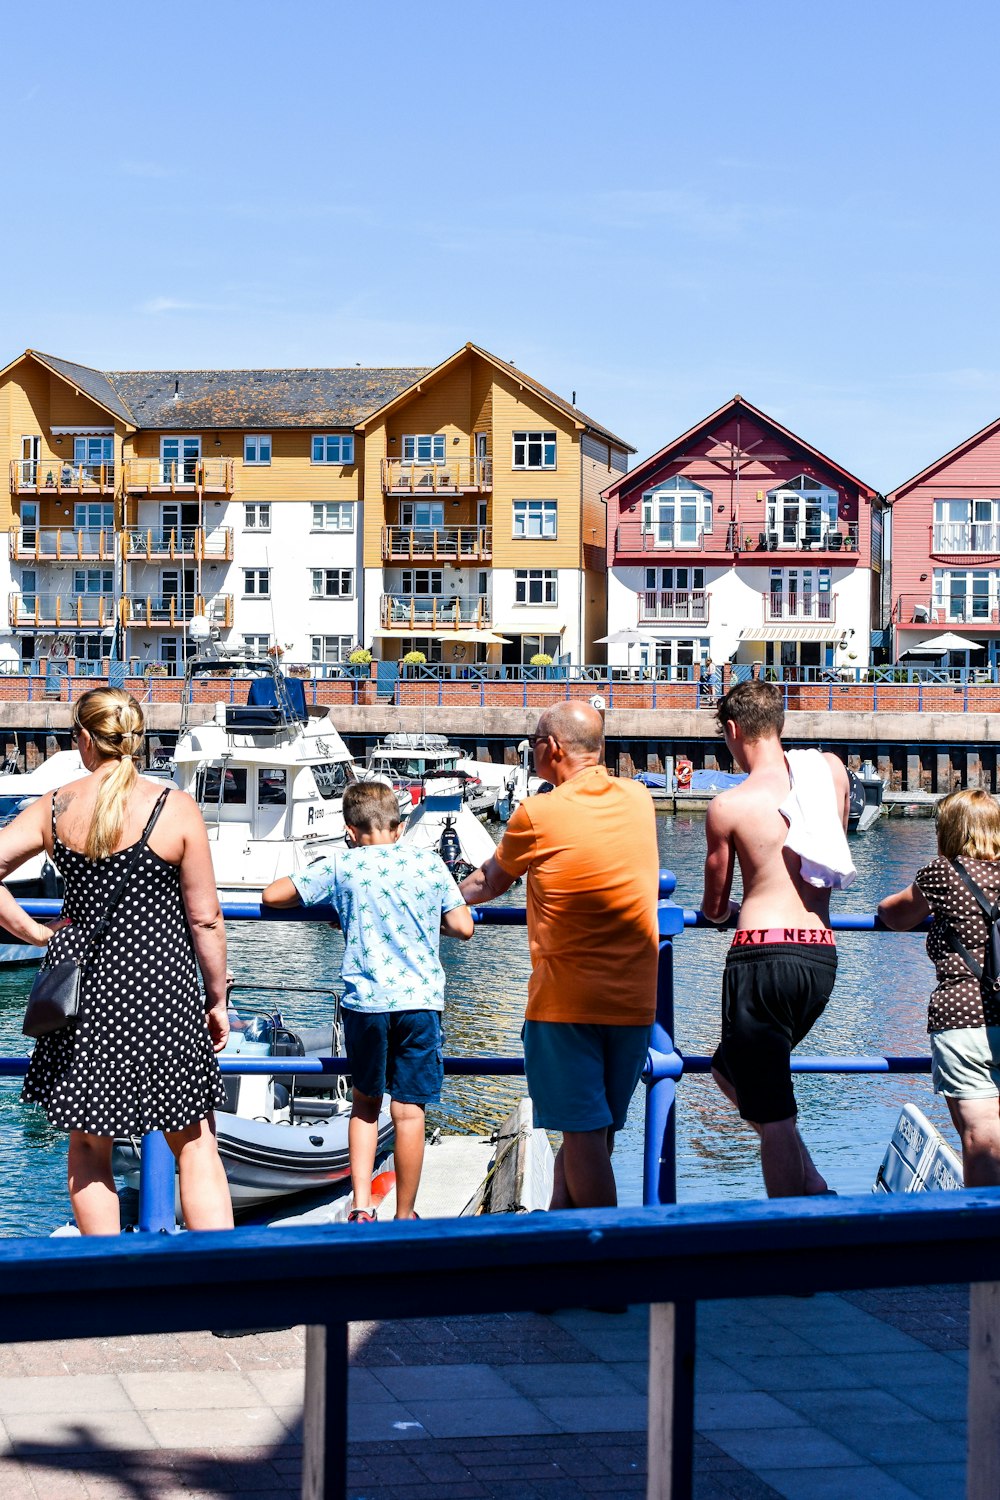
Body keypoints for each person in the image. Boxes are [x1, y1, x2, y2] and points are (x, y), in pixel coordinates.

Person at [13, 688, 233, 1234]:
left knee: (90, 1147)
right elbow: (205, 919)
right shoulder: (173, 806)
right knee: (194, 1141)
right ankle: (227, 1290)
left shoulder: (56, 806)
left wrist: (38, 934)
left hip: (86, 996)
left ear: (85, 739)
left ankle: (107, 1291)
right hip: (164, 992)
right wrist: (218, 998)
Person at [460, 702, 659, 1211]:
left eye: (532, 742)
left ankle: (603, 1264)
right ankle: (560, 1236)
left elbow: (487, 882)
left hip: (567, 1002)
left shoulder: (537, 813)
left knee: (585, 1137)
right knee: (593, 1135)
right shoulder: (639, 800)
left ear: (551, 748)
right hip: (634, 1000)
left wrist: (432, 894)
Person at [262, 780, 474, 1221]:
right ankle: (406, 1212)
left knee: (365, 1104)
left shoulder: (342, 865)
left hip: (367, 1002)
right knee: (409, 1110)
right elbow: (463, 926)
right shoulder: (429, 863)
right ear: (398, 828)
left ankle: (361, 1205)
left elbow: (273, 895)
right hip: (419, 1001)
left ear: (350, 829)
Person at [701, 680, 853, 1198]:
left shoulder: (730, 806)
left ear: (733, 730)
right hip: (819, 957)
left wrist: (723, 913)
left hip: (761, 959)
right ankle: (811, 1184)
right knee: (729, 1068)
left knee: (775, 1111)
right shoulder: (829, 773)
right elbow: (831, 843)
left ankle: (798, 1230)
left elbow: (715, 907)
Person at [878, 789, 1000, 1186]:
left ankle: (981, 1230)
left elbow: (895, 915)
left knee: (980, 1134)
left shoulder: (944, 872)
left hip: (964, 1017)